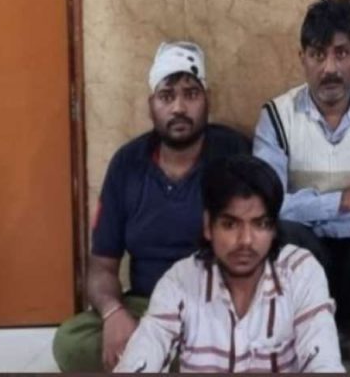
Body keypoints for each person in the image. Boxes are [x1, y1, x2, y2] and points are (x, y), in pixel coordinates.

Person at [53, 41, 251, 372]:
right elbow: (101, 267)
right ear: (151, 105)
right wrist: (114, 313)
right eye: (166, 96)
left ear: (208, 100)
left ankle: (156, 361)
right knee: (71, 343)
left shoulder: (233, 154)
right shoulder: (127, 164)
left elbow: (256, 249)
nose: (179, 107)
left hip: (213, 304)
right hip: (145, 306)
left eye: (191, 94)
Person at [253, 0, 350, 371]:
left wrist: (318, 215)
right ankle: (313, 340)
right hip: (309, 252)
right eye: (318, 54)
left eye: (340, 53)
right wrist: (343, 201)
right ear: (302, 58)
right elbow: (265, 205)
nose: (330, 68)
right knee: (285, 234)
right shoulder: (276, 117)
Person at [114, 155, 343, 373]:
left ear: (274, 229)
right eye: (230, 224)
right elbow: (144, 352)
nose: (246, 240)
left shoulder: (300, 273)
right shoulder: (181, 281)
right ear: (208, 226)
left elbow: (324, 364)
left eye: (260, 224)